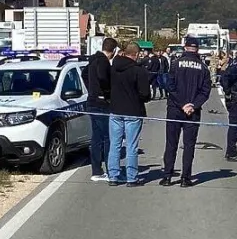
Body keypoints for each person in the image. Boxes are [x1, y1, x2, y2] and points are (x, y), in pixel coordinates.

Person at [160, 37, 211, 187]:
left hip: (175, 109)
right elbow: (205, 91)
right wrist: (193, 105)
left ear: (184, 47)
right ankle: (185, 178)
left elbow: (170, 86)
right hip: (193, 112)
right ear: (198, 49)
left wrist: (182, 104)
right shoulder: (203, 68)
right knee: (189, 145)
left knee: (171, 143)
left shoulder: (175, 64)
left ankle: (167, 176)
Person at [107, 42, 151, 187]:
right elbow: (145, 94)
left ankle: (113, 175)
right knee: (132, 146)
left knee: (115, 144)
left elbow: (107, 86)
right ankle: (131, 178)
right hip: (133, 111)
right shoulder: (139, 71)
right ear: (136, 54)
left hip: (115, 110)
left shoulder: (113, 68)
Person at [82, 37, 118, 182]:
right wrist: (107, 93)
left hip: (91, 101)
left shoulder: (92, 60)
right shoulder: (103, 61)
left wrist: (91, 88)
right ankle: (111, 170)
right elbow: (104, 78)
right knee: (107, 138)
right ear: (114, 51)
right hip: (102, 103)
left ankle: (96, 170)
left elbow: (84, 75)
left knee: (96, 138)